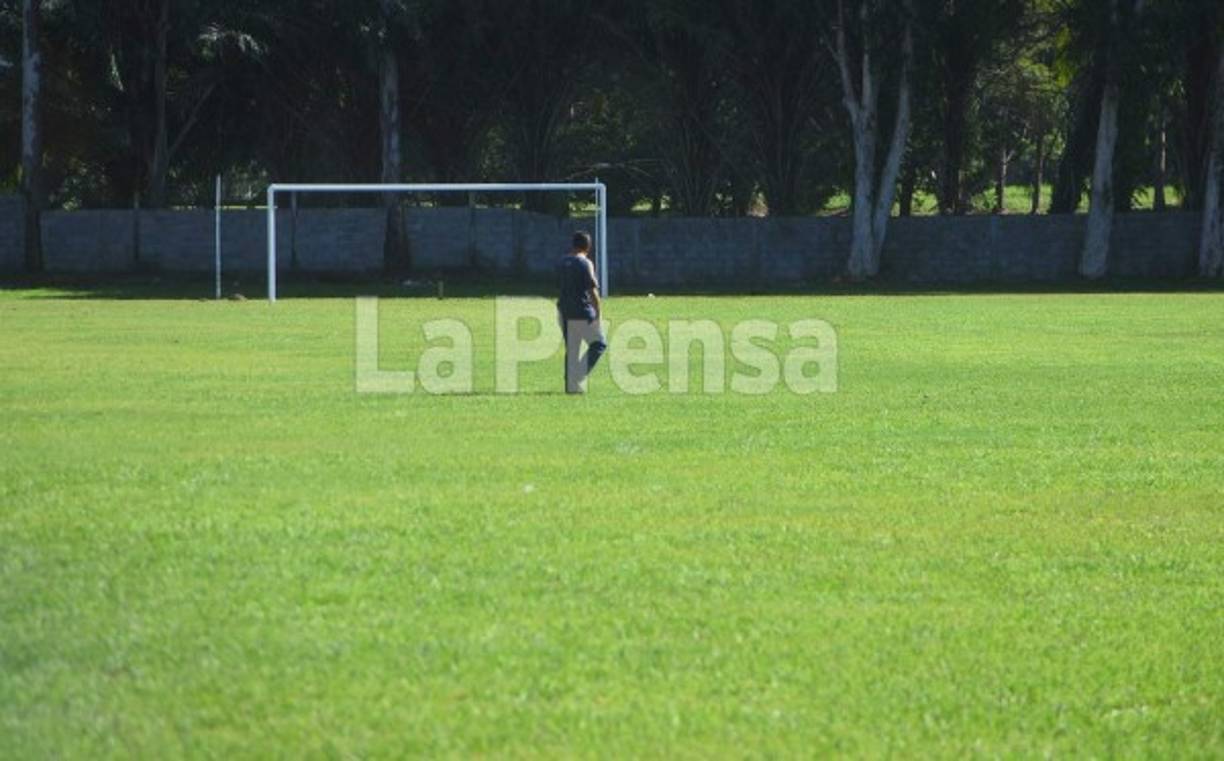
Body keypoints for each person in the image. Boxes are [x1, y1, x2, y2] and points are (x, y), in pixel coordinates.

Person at [556, 231, 607, 394]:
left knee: (572, 348)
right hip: (583, 310)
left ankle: (571, 386)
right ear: (588, 247)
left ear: (573, 244)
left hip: (564, 309)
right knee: (599, 343)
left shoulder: (562, 262)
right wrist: (598, 314)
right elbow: (592, 292)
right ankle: (577, 375)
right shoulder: (585, 263)